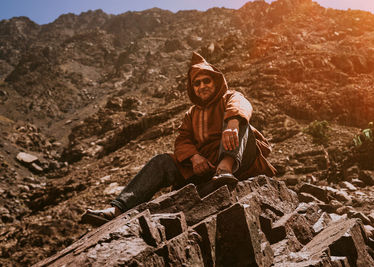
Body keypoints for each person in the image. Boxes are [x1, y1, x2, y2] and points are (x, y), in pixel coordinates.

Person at [82, 52, 276, 225]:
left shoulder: (230, 97)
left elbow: (242, 105)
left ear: (216, 82)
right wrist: (194, 157)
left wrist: (232, 123)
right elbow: (182, 141)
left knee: (241, 123)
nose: (202, 86)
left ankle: (225, 169)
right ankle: (117, 209)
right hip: (206, 167)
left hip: (239, 161)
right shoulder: (191, 114)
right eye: (197, 83)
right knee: (162, 161)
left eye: (206, 81)